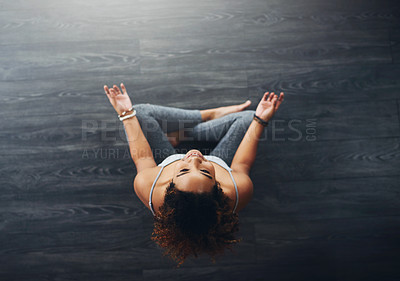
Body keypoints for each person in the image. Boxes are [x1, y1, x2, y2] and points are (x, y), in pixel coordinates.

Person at [103, 83, 284, 266]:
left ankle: (189, 129)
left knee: (138, 113)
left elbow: (143, 158)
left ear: (169, 186)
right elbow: (242, 164)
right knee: (249, 119)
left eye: (183, 171)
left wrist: (125, 113)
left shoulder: (149, 186)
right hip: (217, 159)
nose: (195, 158)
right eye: (205, 172)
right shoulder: (239, 190)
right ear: (219, 188)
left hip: (170, 158)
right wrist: (261, 120)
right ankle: (195, 125)